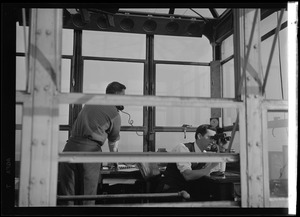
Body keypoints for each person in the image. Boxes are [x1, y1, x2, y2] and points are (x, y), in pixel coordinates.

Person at [58, 81, 126, 205]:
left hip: (69, 148)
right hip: (89, 152)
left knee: (68, 194)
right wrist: (114, 161)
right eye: (123, 96)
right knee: (87, 195)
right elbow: (113, 142)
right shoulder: (115, 114)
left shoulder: (91, 103)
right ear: (116, 95)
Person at [158, 124, 221, 201]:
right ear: (199, 136)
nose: (213, 141)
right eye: (210, 137)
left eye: (214, 139)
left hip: (187, 189)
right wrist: (210, 168)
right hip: (171, 191)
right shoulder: (183, 148)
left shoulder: (204, 154)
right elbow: (187, 175)